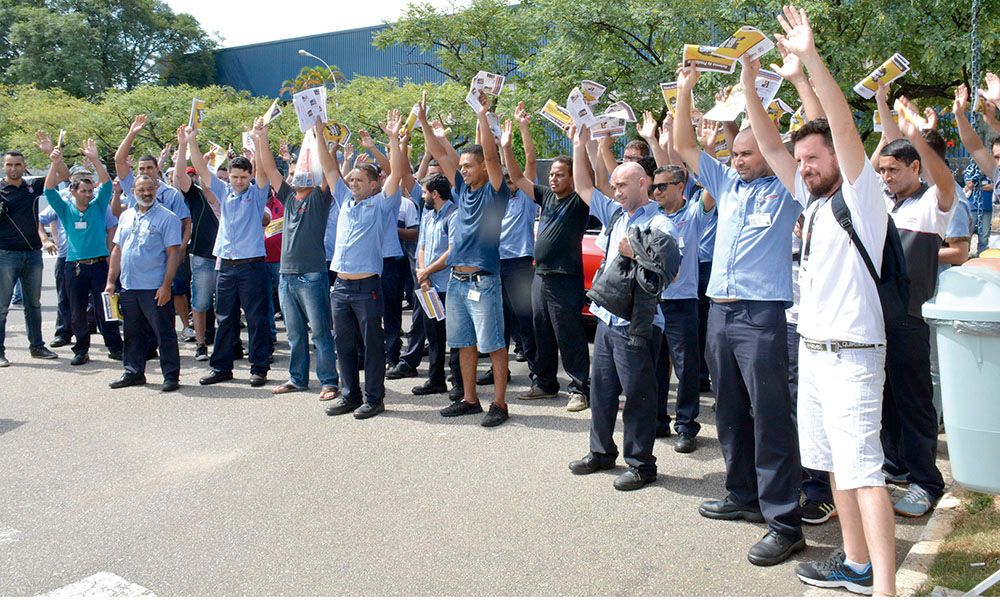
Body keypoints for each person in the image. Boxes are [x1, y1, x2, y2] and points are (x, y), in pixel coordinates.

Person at [741, 8, 897, 592]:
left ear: (839, 160)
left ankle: (885, 585)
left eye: (813, 159)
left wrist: (809, 59)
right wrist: (751, 83)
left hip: (854, 352)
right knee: (832, 465)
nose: (802, 167)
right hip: (812, 350)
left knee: (865, 472)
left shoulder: (860, 195)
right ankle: (855, 564)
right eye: (799, 161)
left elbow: (840, 125)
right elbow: (768, 144)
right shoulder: (809, 199)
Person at [673, 57, 804, 566]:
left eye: (749, 152)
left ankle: (784, 522)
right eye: (736, 151)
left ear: (771, 153)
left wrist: (749, 89)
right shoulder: (727, 184)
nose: (740, 158)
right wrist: (685, 91)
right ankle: (742, 495)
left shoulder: (789, 189)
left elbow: (771, 143)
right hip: (720, 313)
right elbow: (685, 146)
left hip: (762, 316)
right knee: (728, 410)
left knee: (771, 417)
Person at [568, 123, 678, 491]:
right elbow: (584, 186)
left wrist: (638, 252)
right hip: (606, 318)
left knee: (639, 397)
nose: (614, 192)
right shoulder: (616, 214)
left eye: (622, 186)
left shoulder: (661, 222)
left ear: (643, 184)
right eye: (613, 186)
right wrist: (579, 144)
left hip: (637, 324)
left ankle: (642, 464)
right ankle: (601, 452)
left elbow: (667, 274)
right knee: (601, 390)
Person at [873, 96, 955, 519]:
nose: (885, 176)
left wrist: (917, 136)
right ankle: (897, 467)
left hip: (910, 318)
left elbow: (946, 184)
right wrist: (885, 107)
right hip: (876, 318)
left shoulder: (931, 205)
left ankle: (927, 482)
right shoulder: (884, 201)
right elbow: (871, 161)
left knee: (914, 402)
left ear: (916, 167)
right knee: (884, 398)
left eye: (893, 170)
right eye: (883, 170)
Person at [417, 91, 512, 427]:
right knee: (463, 344)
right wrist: (424, 122)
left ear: (484, 168)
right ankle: (470, 399)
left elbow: (488, 153)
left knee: (494, 345)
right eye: (462, 168)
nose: (463, 171)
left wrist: (484, 115)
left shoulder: (495, 190)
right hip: (457, 282)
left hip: (484, 282)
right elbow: (441, 153)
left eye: (469, 167)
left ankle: (499, 404)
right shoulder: (461, 189)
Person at [501, 116, 592, 413]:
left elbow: (585, 175)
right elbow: (517, 173)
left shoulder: (579, 199)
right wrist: (506, 145)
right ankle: (544, 382)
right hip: (540, 275)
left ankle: (579, 388)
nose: (553, 179)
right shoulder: (547, 196)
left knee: (570, 335)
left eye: (560, 175)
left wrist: (579, 143)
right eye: (551, 174)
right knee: (542, 332)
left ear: (571, 177)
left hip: (565, 278)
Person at [324, 110, 405, 420]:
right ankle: (350, 394)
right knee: (342, 344)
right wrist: (320, 134)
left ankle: (374, 398)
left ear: (374, 185)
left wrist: (393, 140)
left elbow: (396, 174)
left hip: (366, 286)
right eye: (351, 179)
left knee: (372, 346)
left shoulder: (381, 204)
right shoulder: (344, 200)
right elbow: (330, 169)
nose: (353, 183)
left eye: (360, 180)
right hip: (340, 286)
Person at [187, 121, 273, 388]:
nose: (238, 181)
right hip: (225, 265)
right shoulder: (224, 192)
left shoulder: (258, 194)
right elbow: (201, 169)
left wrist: (260, 141)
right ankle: (222, 366)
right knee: (225, 317)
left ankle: (259, 367)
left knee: (256, 318)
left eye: (243, 177)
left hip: (251, 266)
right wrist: (191, 140)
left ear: (249, 177)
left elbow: (263, 169)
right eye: (234, 176)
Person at [267, 120, 340, 401]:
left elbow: (329, 172)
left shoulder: (320, 199)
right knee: (295, 334)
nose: (296, 175)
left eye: (301, 172)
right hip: (286, 276)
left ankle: (329, 381)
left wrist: (323, 140)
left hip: (312, 275)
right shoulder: (288, 199)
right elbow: (271, 170)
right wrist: (262, 138)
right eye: (294, 172)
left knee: (321, 333)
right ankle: (297, 379)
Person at [647, 164, 713, 453]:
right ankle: (658, 420)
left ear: (680, 186)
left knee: (686, 369)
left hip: (682, 303)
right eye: (654, 187)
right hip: (654, 301)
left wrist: (711, 151)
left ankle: (686, 426)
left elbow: (714, 186)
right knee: (656, 366)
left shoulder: (695, 213)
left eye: (662, 186)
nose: (656, 191)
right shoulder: (652, 216)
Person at [42, 141, 123, 366]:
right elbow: (49, 190)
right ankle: (81, 349)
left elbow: (106, 184)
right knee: (77, 312)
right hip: (75, 266)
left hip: (98, 265)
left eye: (90, 191)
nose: (88, 195)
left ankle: (115, 347)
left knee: (106, 308)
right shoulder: (65, 209)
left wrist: (95, 159)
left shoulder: (98, 206)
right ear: (73, 191)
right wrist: (54, 163)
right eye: (84, 191)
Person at [114, 115, 193, 338]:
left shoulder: (171, 194)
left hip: (165, 256)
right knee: (138, 318)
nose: (145, 171)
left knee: (172, 293)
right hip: (139, 263)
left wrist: (182, 249)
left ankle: (183, 329)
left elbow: (185, 222)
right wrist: (132, 133)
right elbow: (119, 160)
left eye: (149, 167)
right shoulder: (132, 185)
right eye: (141, 168)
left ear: (157, 168)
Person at [104, 174, 183, 391]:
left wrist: (166, 285)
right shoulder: (126, 216)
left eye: (150, 189)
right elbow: (117, 249)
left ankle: (171, 376)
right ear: (133, 192)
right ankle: (133, 372)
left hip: (155, 288)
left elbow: (173, 253)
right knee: (132, 333)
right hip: (129, 287)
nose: (146, 193)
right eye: (141, 190)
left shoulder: (168, 218)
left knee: (163, 333)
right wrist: (111, 282)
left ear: (157, 189)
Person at [0, 144, 59, 367]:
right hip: (6, 254)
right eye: (9, 165)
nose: (13, 168)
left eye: (17, 165)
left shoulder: (33, 186)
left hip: (33, 254)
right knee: (2, 306)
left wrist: (51, 154)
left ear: (24, 166)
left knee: (33, 304)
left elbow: (61, 175)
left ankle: (37, 347)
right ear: (4, 167)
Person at [172, 127, 220, 362]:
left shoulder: (230, 194)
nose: (206, 176)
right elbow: (180, 177)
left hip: (229, 258)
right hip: (202, 256)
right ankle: (201, 345)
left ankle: (230, 344)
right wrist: (184, 145)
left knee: (229, 306)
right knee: (200, 302)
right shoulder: (196, 194)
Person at [410, 173, 461, 395]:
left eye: (424, 192)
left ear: (435, 193)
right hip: (428, 287)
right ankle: (436, 379)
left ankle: (459, 382)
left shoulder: (454, 215)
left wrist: (427, 272)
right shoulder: (428, 215)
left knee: (457, 337)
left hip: (448, 287)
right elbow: (421, 247)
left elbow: (452, 253)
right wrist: (423, 275)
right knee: (434, 336)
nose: (422, 197)